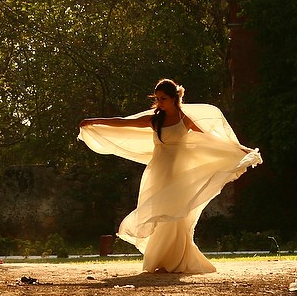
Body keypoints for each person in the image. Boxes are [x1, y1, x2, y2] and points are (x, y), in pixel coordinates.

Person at [78, 78, 262, 273]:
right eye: (157, 98)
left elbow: (213, 140)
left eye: (163, 98)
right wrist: (94, 121)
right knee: (159, 215)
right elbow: (125, 122)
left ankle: (176, 260)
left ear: (175, 98)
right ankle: (160, 260)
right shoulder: (154, 120)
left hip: (180, 174)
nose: (159, 102)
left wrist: (242, 150)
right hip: (157, 173)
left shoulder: (186, 119)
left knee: (177, 216)